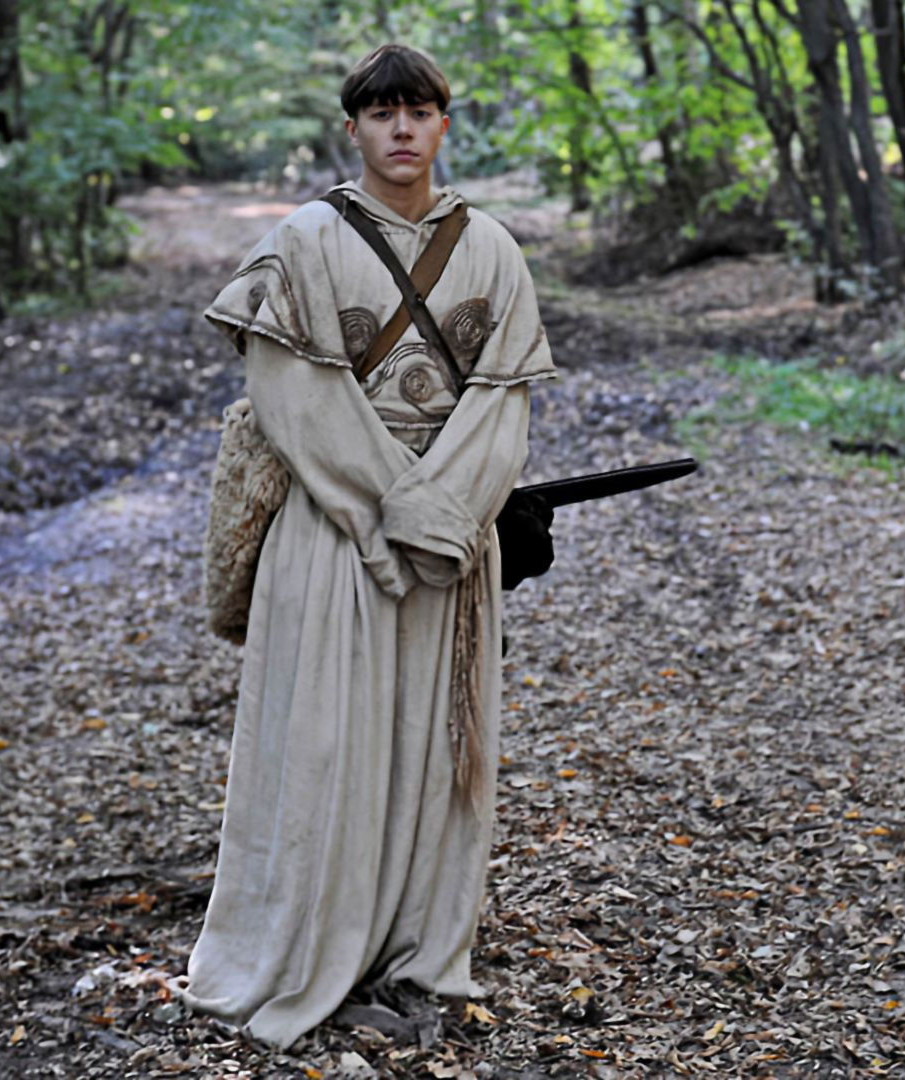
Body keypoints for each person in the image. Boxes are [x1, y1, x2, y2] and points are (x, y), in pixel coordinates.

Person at [176, 43, 556, 1048]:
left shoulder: (494, 251)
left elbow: (501, 408)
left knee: (434, 749)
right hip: (333, 535)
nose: (401, 129)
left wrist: (442, 521)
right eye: (381, 113)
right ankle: (307, 947)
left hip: (451, 547)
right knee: (324, 746)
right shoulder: (299, 243)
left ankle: (417, 948)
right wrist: (396, 517)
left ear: (443, 125)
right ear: (352, 129)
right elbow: (295, 402)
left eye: (418, 111)